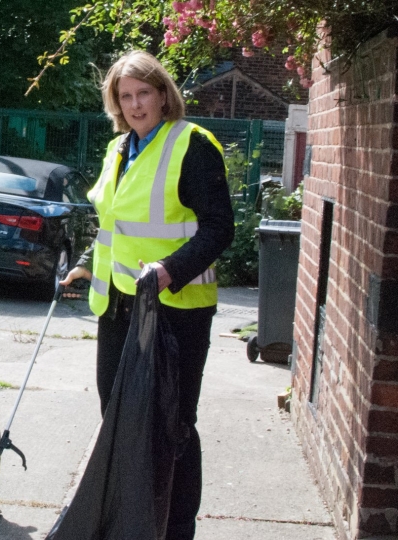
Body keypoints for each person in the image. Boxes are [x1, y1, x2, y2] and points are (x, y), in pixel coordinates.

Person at [59, 50, 235, 539]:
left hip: (176, 312)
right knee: (116, 417)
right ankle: (129, 520)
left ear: (163, 95)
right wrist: (82, 265)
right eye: (125, 96)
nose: (135, 105)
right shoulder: (119, 149)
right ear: (116, 102)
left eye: (143, 94)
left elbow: (221, 228)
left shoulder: (192, 146)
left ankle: (175, 529)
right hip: (117, 307)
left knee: (172, 426)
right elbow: (112, 227)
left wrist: (169, 270)